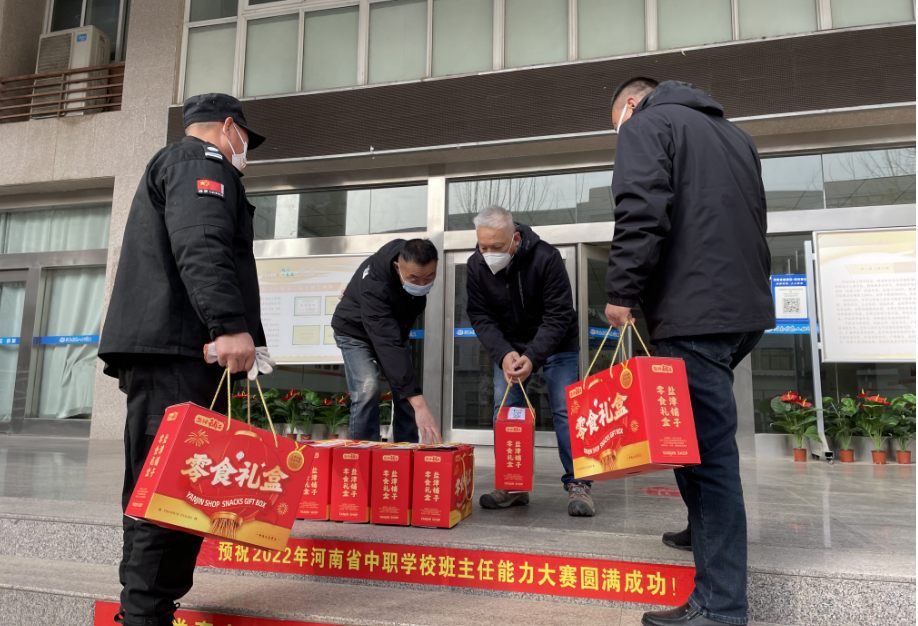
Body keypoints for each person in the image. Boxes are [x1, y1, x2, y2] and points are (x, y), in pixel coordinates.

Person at [605, 77, 774, 626]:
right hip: (742, 311)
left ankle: (720, 607)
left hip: (695, 310)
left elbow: (641, 211)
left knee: (708, 457)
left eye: (616, 122)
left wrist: (621, 291)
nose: (619, 132)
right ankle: (701, 529)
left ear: (632, 104)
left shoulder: (647, 125)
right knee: (687, 436)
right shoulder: (737, 136)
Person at [98, 93, 268, 626]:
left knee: (171, 487)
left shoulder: (182, 164)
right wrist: (229, 325)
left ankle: (148, 608)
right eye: (246, 139)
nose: (245, 150)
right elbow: (203, 243)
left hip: (176, 351)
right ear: (229, 127)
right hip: (179, 352)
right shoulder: (200, 161)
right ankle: (143, 615)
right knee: (167, 489)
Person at [466, 206, 594, 517]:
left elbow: (559, 315)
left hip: (557, 343)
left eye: (496, 246)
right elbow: (480, 315)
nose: (488, 253)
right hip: (509, 347)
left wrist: (532, 356)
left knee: (565, 410)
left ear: (515, 238)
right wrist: (503, 353)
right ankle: (513, 485)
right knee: (506, 411)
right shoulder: (475, 265)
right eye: (483, 246)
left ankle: (579, 484)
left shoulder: (546, 258)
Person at [331, 238, 443, 444]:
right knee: (368, 388)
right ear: (397, 267)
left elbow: (392, 341)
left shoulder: (410, 254)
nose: (423, 284)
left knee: (406, 390)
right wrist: (420, 405)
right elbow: (387, 344)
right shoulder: (375, 286)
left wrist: (411, 394)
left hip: (392, 332)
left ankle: (405, 451)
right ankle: (363, 451)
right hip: (354, 332)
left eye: (430, 276)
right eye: (414, 278)